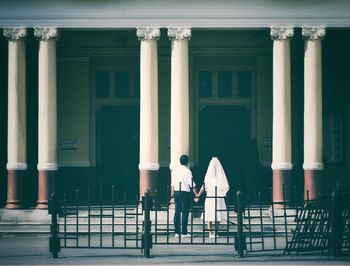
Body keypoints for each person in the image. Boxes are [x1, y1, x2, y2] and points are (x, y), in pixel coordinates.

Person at [195, 157, 230, 238]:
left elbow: (224, 187)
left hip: (218, 197)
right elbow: (204, 186)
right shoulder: (209, 177)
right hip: (211, 197)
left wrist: (198, 195)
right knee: (209, 214)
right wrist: (198, 195)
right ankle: (210, 233)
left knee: (218, 214)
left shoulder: (219, 177)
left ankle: (215, 232)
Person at [171, 154, 198, 238]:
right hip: (185, 192)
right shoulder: (187, 171)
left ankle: (177, 232)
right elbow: (192, 184)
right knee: (185, 212)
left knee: (177, 212)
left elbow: (172, 184)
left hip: (176, 192)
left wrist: (172, 195)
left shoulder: (174, 171)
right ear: (187, 162)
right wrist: (196, 195)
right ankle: (184, 232)